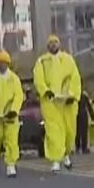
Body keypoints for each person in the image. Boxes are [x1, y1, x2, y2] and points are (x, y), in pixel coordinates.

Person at [33, 34, 82, 171]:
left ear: (59, 44)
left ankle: (66, 154)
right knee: (54, 131)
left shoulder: (68, 59)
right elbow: (38, 78)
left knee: (69, 131)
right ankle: (55, 160)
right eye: (51, 43)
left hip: (67, 103)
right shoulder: (41, 61)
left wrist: (72, 95)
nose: (53, 44)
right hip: (50, 102)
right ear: (47, 45)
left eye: (56, 42)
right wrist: (45, 91)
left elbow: (75, 78)